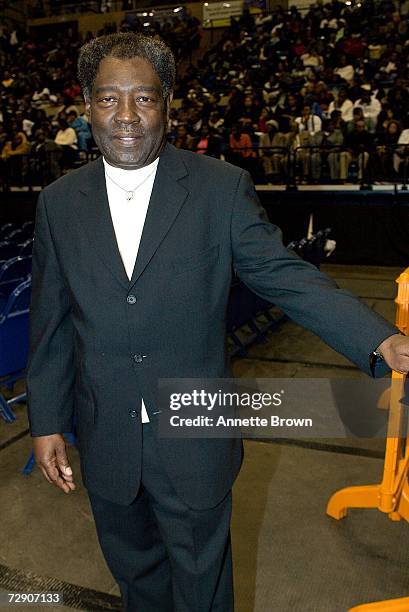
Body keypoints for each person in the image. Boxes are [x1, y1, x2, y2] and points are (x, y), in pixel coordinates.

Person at [26, 33, 409, 612]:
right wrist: (47, 419)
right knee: (137, 580)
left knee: (203, 587)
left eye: (144, 98)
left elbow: (286, 275)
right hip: (106, 436)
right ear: (86, 106)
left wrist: (381, 338)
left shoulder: (219, 189)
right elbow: (52, 320)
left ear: (168, 103)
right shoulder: (58, 201)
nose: (126, 116)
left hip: (195, 433)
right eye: (109, 99)